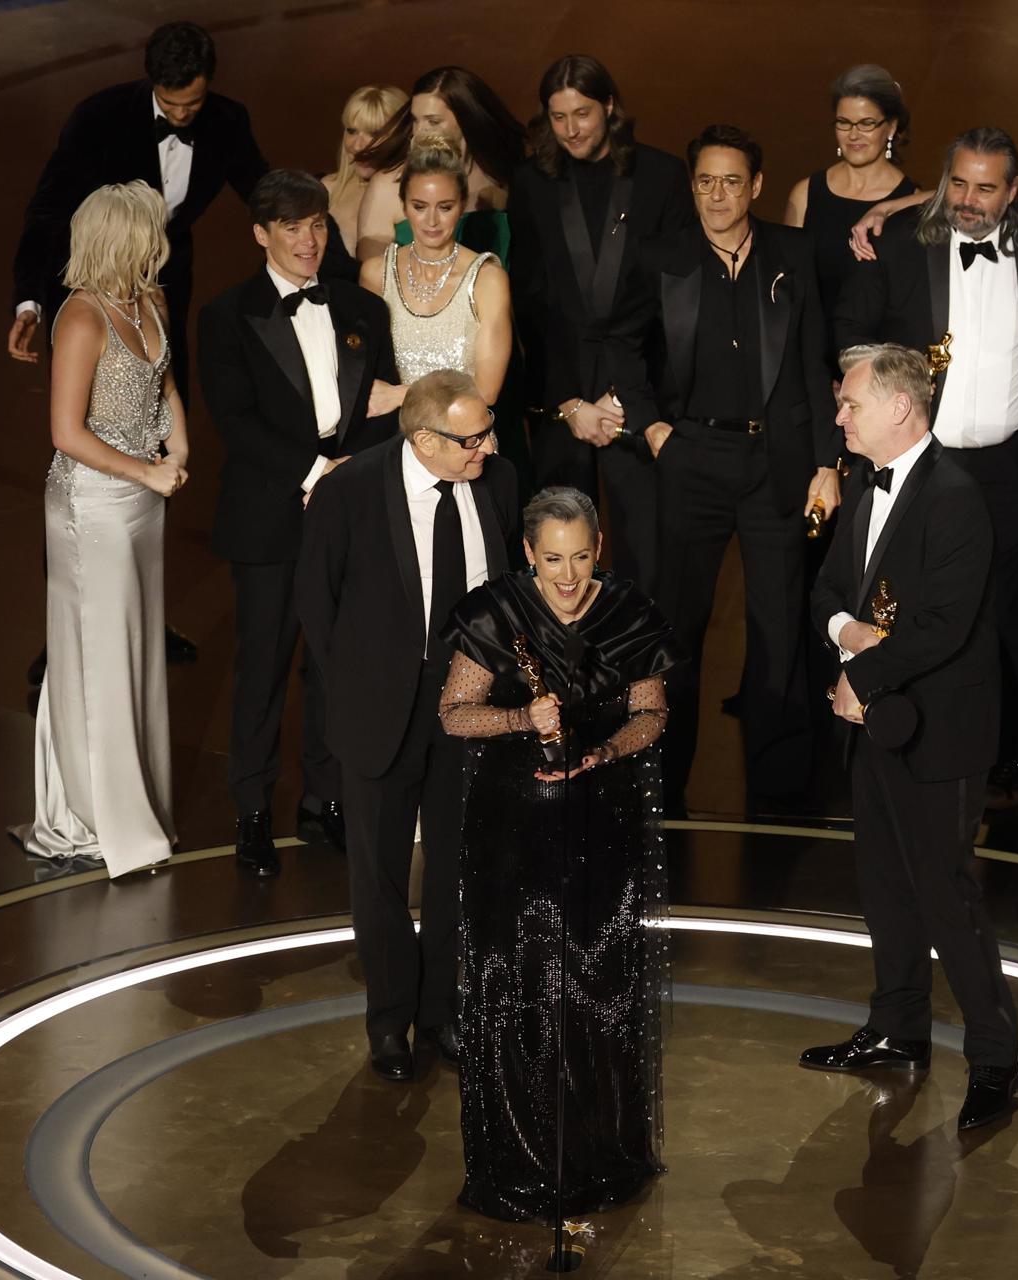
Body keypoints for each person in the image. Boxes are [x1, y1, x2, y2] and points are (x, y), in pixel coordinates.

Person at [437, 486, 680, 1221]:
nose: (567, 577)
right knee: (516, 984)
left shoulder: (629, 614)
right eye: (551, 561)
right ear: (527, 556)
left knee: (598, 982)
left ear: (598, 548)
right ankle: (521, 1161)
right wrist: (519, 716)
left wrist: (603, 750)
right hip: (511, 828)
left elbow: (653, 714)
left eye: (579, 557)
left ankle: (599, 1157)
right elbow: (454, 715)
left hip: (601, 821)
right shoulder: (494, 614)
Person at [803, 343, 1018, 1132]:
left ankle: (997, 1062)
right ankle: (898, 1030)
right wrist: (848, 634)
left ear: (900, 407)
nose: (839, 416)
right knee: (885, 891)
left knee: (946, 899)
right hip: (876, 724)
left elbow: (943, 629)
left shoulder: (957, 497)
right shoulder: (865, 486)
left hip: (938, 732)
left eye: (851, 403)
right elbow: (829, 589)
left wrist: (862, 674)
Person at [295, 371, 521, 1081]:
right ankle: (390, 1022)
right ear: (424, 439)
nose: (485, 446)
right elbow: (316, 603)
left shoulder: (499, 480)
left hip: (471, 706)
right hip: (381, 710)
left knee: (458, 868)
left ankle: (442, 1012)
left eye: (487, 429)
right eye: (470, 437)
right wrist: (356, 693)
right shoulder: (351, 490)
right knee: (382, 875)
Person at [610, 125, 839, 814]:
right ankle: (663, 783)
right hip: (690, 461)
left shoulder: (792, 253)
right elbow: (621, 347)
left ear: (756, 187)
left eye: (731, 181)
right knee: (677, 626)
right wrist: (652, 428)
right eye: (705, 180)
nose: (717, 194)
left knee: (778, 628)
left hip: (778, 463)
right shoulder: (661, 257)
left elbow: (813, 361)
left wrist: (827, 462)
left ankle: (779, 794)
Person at [834, 126, 1018, 808]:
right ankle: (907, 741)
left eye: (986, 187)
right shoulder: (900, 246)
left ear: (1014, 193)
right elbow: (852, 340)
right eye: (956, 183)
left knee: (1007, 613)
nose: (967, 200)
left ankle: (1009, 755)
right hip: (926, 467)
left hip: (1008, 468)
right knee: (915, 608)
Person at [201, 170, 401, 876]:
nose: (308, 241)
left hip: (348, 515)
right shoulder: (226, 316)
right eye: (291, 228)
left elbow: (376, 416)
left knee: (334, 665)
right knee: (263, 668)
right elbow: (236, 422)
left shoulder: (361, 310)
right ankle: (252, 811)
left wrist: (353, 482)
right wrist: (317, 474)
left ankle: (325, 801)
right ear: (260, 234)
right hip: (270, 518)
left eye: (317, 225)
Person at [10, 183, 186, 877]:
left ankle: (128, 807)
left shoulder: (152, 301)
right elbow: (65, 432)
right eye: (151, 231)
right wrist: (145, 474)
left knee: (134, 652)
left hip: (143, 504)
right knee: (98, 657)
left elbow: (163, 388)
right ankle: (92, 820)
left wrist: (178, 447)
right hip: (93, 507)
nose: (160, 242)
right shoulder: (80, 319)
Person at [506, 54, 696, 592]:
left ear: (609, 106)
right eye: (558, 117)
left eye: (582, 114)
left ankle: (641, 676)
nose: (570, 130)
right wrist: (567, 401)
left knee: (648, 556)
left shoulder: (660, 175)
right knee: (557, 556)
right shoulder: (531, 181)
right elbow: (529, 302)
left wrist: (627, 398)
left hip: (637, 397)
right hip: (561, 400)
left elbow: (676, 300)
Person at [8, 21, 268, 400]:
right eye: (169, 104)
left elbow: (261, 191)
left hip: (165, 276)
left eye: (192, 104)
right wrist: (28, 299)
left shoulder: (228, 120)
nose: (180, 115)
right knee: (89, 399)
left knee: (165, 389)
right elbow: (47, 210)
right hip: (88, 275)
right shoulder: (97, 118)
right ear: (152, 83)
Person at [359, 137, 514, 412]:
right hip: (394, 439)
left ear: (463, 204)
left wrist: (401, 395)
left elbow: (486, 391)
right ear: (404, 205)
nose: (431, 221)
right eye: (419, 206)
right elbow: (367, 375)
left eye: (445, 207)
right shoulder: (376, 274)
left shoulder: (486, 280)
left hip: (463, 440)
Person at [781, 65, 918, 359]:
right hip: (811, 363)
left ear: (891, 127)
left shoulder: (913, 202)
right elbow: (787, 292)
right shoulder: (805, 193)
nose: (854, 134)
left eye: (867, 123)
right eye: (844, 123)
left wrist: (888, 206)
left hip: (879, 371)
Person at [352, 67, 523, 263]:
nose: (420, 131)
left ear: (465, 119)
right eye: (416, 121)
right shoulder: (387, 184)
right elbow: (373, 273)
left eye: (433, 121)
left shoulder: (502, 178)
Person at [321, 84, 407, 273]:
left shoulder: (416, 196)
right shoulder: (326, 190)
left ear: (401, 136)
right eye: (352, 131)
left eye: (374, 133)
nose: (358, 145)